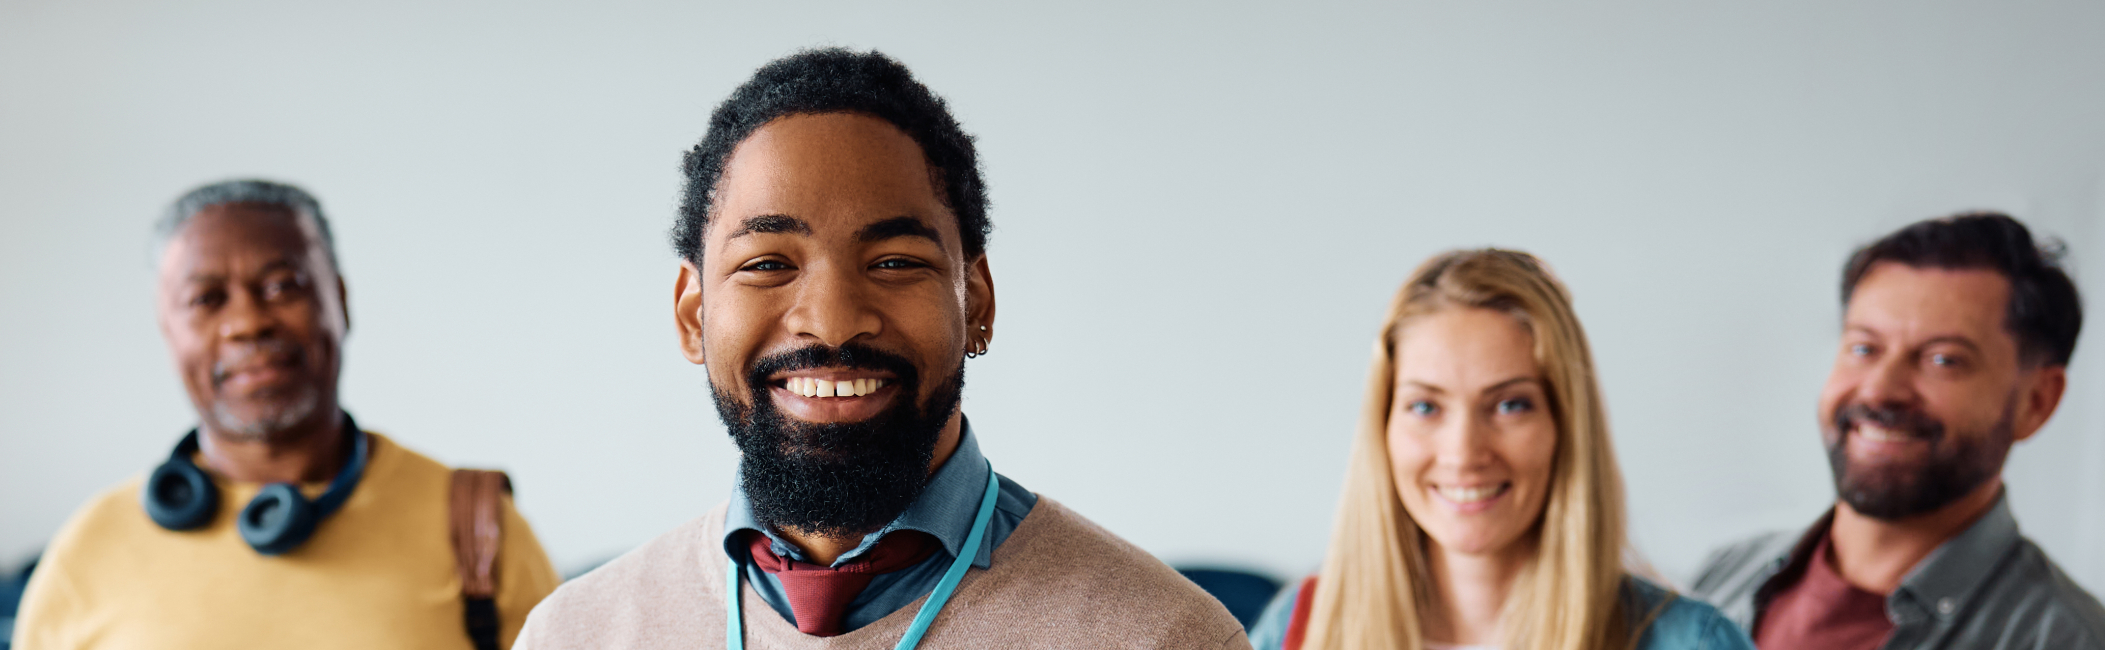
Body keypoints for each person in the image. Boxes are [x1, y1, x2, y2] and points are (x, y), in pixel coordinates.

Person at [515, 48, 1246, 649]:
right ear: (693, 315)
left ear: (978, 302)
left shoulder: (1162, 636)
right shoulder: (577, 634)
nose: (832, 324)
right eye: (769, 263)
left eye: (895, 262)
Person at [13, 180, 561, 649]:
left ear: (340, 301)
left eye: (281, 286)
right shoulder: (88, 548)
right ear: (168, 330)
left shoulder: (480, 528)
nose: (248, 322)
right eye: (206, 299)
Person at [1248, 250, 1749, 650]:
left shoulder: (1691, 641)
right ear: (1382, 427)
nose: (1463, 452)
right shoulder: (1297, 631)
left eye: (1510, 405)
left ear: (1566, 426)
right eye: (1425, 407)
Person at [1688, 213, 2105, 649]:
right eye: (1864, 348)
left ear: (2037, 401)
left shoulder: (2064, 639)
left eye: (1943, 360)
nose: (1879, 390)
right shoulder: (1720, 578)